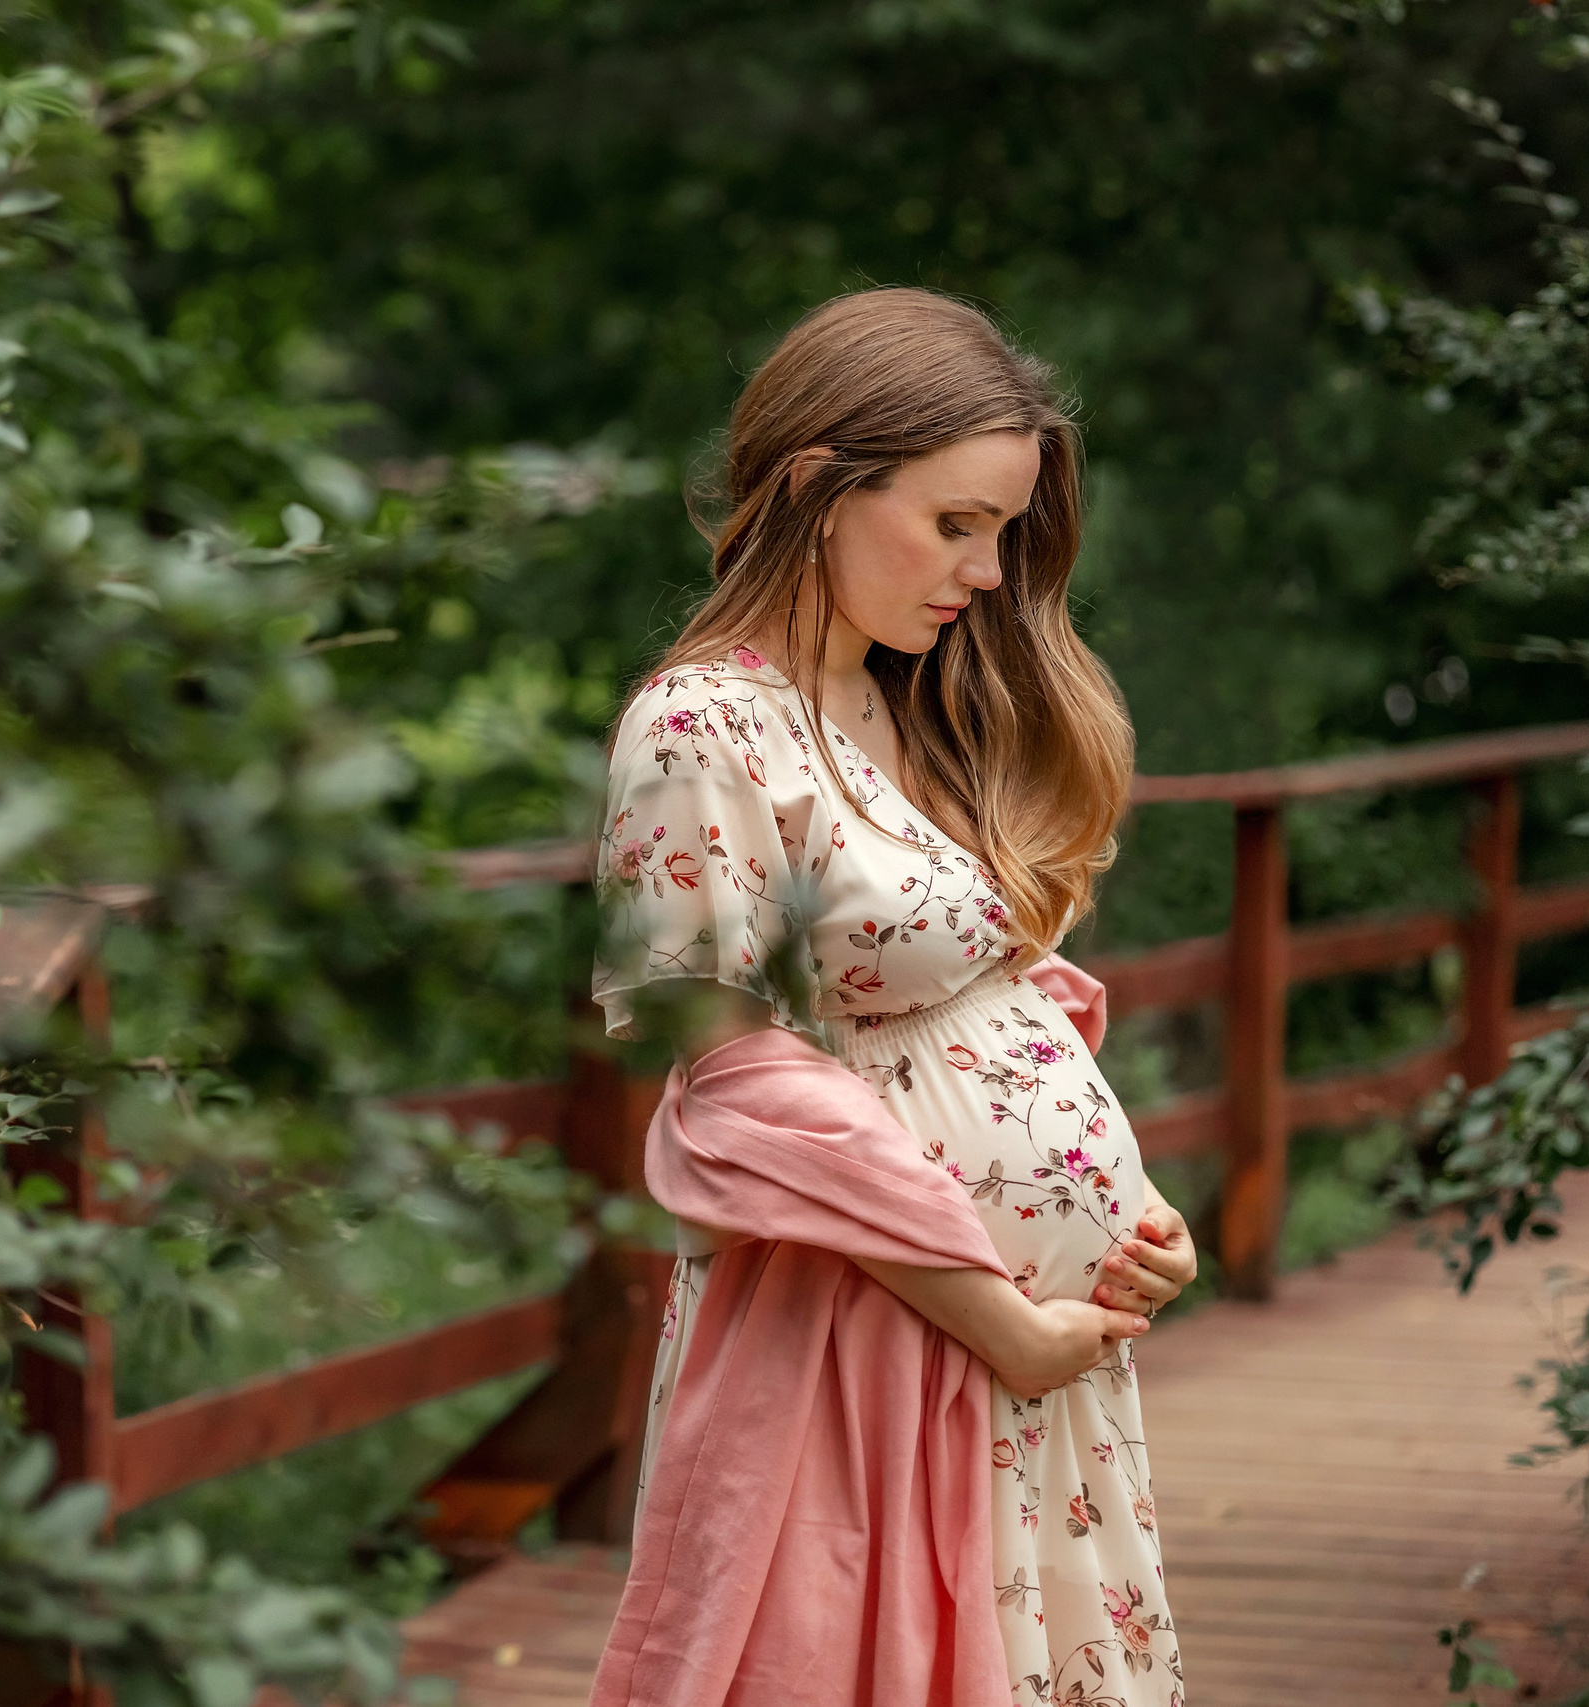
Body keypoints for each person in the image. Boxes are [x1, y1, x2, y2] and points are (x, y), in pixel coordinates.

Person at [587, 288, 1196, 1707]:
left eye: (1005, 533)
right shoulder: (701, 727)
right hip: (878, 1342)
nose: (987, 573)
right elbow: (732, 1087)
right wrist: (997, 1314)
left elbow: (982, 1005)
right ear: (813, 488)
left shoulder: (901, 700)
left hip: (1022, 1360)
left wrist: (1132, 1220)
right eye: (957, 523)